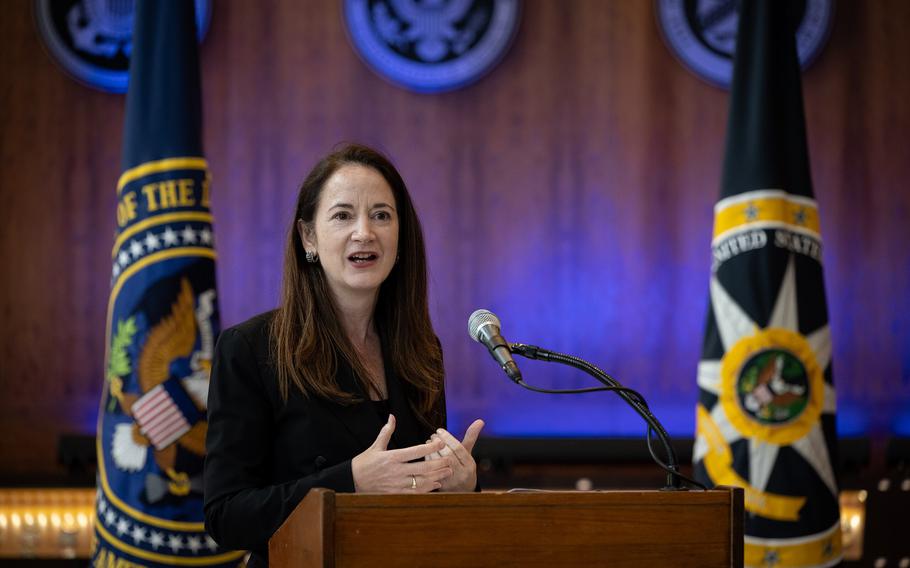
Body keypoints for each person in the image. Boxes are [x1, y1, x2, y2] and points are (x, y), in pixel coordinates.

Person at [203, 143, 485, 566]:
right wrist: (350, 481)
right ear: (308, 237)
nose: (364, 232)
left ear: (400, 237)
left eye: (381, 215)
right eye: (342, 215)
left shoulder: (421, 351)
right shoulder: (251, 349)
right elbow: (226, 516)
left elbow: (421, 500)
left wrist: (461, 489)